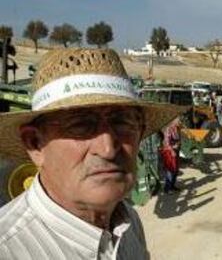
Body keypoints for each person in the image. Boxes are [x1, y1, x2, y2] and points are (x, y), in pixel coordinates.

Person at [0, 48, 186, 259]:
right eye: (80, 125)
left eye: (122, 123)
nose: (107, 148)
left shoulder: (128, 223)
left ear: (140, 133)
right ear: (35, 144)